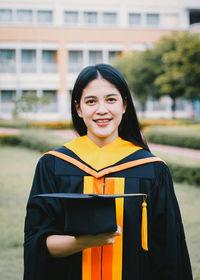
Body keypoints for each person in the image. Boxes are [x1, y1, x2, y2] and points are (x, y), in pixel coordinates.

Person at [24, 64, 193, 280]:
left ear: (124, 105)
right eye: (91, 101)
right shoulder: (53, 165)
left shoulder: (152, 169)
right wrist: (85, 241)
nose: (101, 109)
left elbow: (169, 252)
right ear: (78, 108)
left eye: (111, 100)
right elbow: (36, 244)